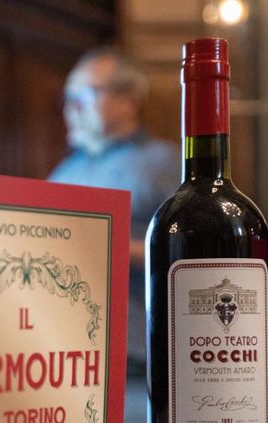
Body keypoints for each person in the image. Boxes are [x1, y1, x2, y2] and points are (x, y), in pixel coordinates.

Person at [49, 47, 180, 374]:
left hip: (139, 352)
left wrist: (112, 247)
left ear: (128, 100)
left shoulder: (165, 163)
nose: (72, 107)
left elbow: (199, 253)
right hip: (67, 352)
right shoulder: (63, 173)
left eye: (87, 94)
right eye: (68, 96)